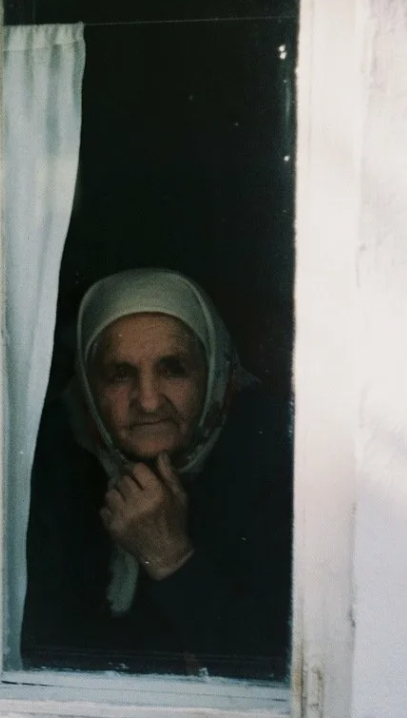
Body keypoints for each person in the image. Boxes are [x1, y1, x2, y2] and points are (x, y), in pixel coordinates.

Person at [21, 268, 292, 678]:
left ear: (213, 371)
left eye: (173, 369)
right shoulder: (49, 465)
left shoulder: (274, 464)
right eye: (120, 374)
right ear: (89, 388)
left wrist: (170, 557)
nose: (148, 401)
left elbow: (282, 671)